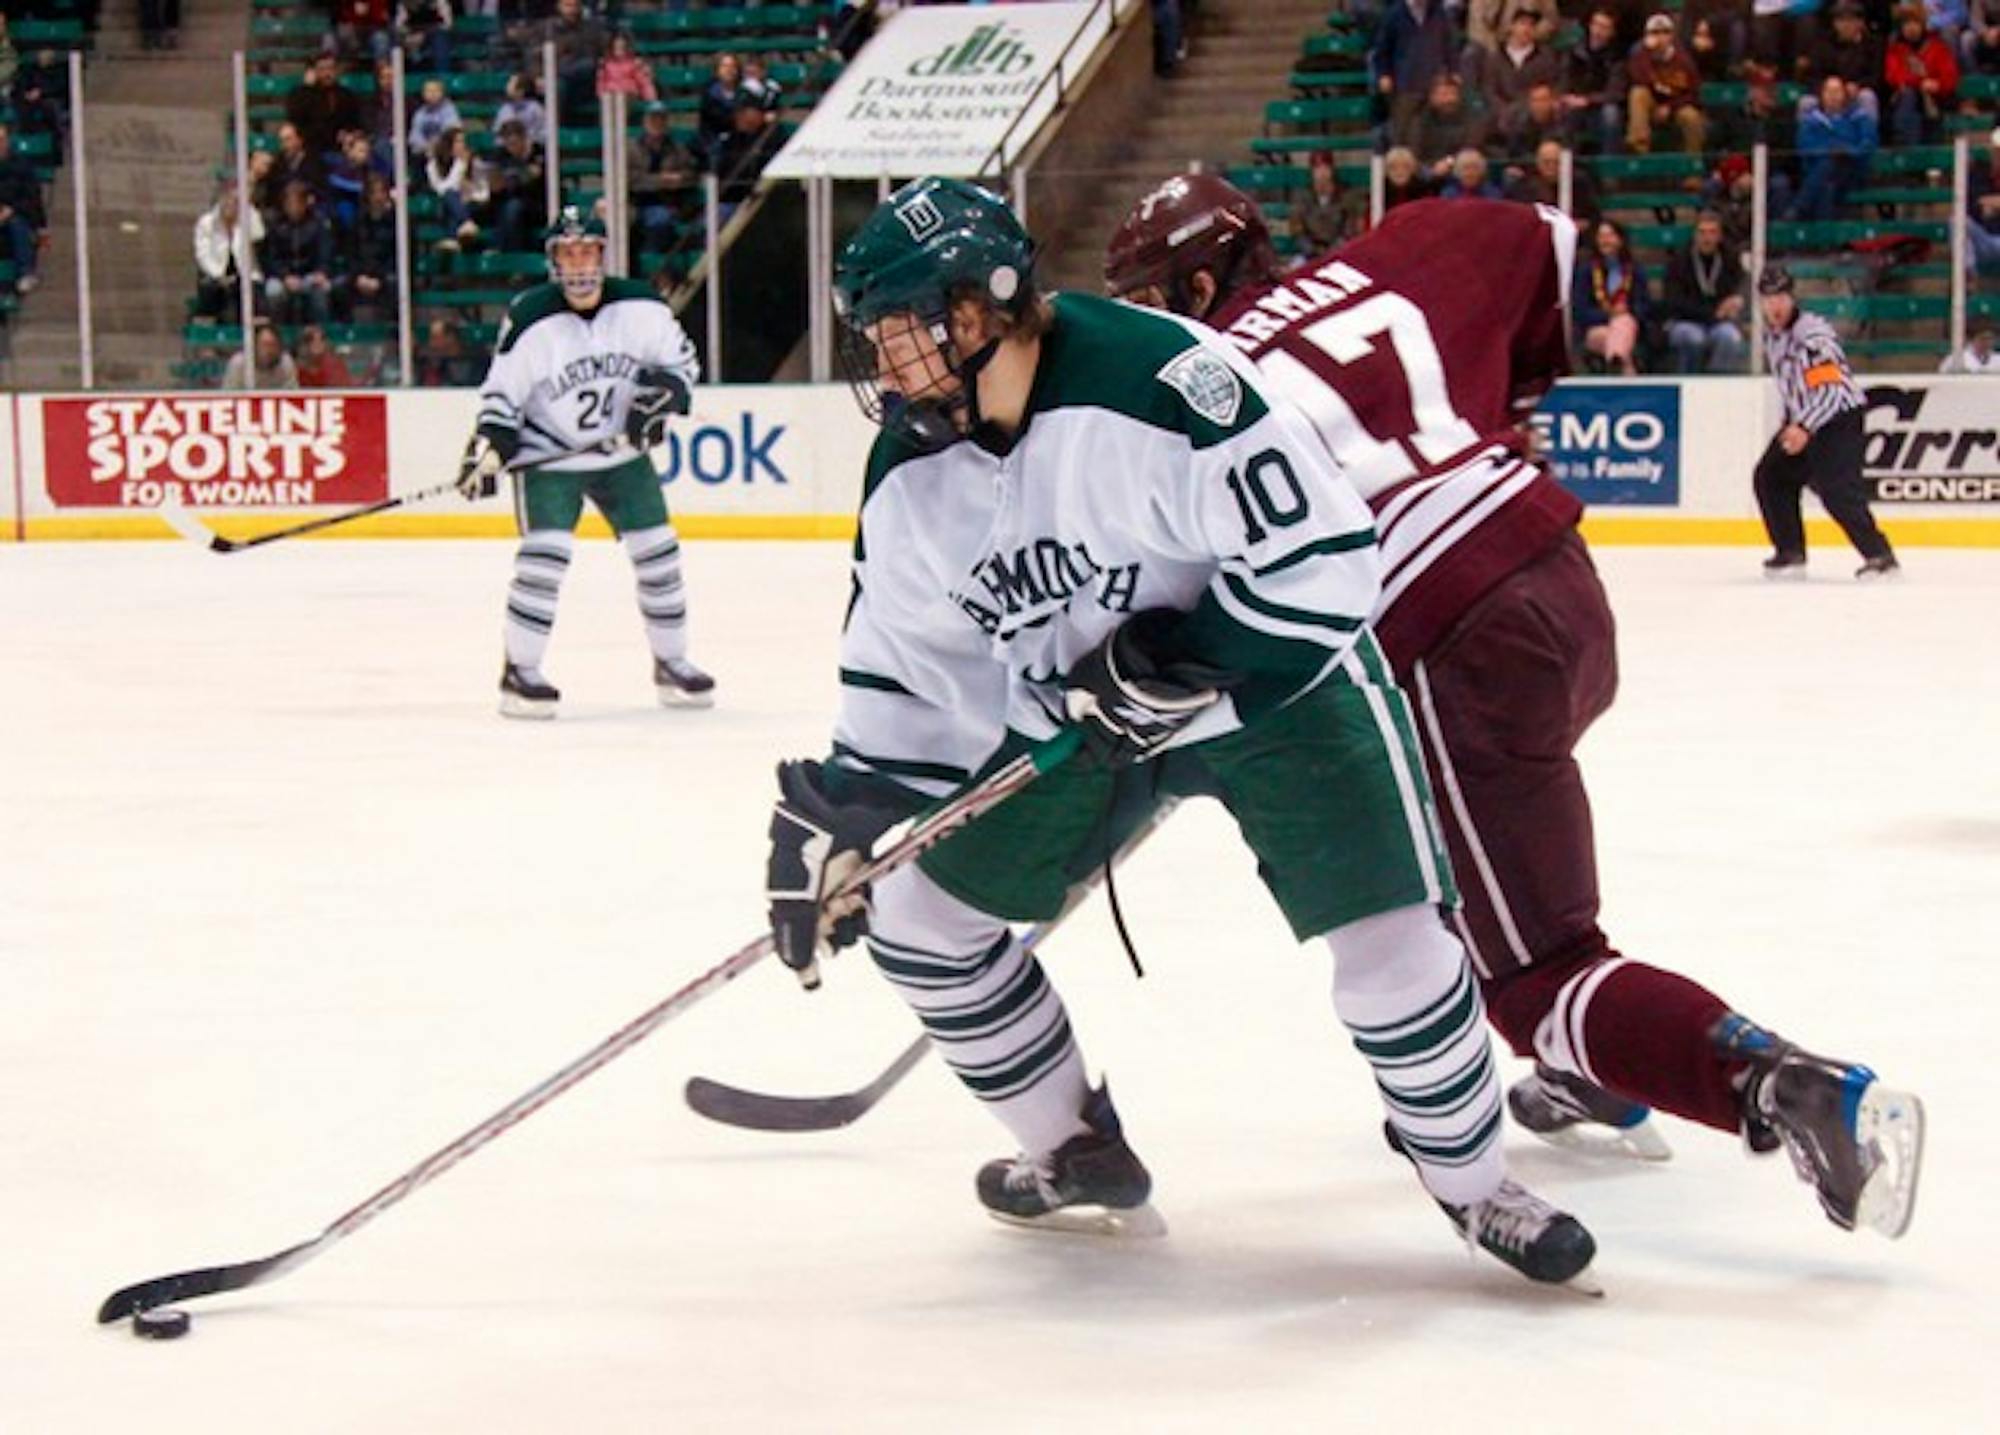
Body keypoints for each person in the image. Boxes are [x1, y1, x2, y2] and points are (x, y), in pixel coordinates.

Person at [771, 175, 1601, 1288]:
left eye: (904, 334)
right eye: (873, 339)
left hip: (1277, 685)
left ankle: (1470, 1181)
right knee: (921, 917)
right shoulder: (910, 478)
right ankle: (1074, 1150)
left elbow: (1324, 560)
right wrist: (848, 815)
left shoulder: (1164, 384)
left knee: (1393, 950)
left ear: (983, 309)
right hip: (1082, 710)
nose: (887, 367)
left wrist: (1190, 657)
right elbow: (911, 683)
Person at [1103, 178, 1926, 1241]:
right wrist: (1514, 401)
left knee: (1534, 974)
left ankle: (1795, 1089)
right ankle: (1598, 1073)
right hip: (1549, 567)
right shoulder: (1381, 259)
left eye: (1151, 295)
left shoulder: (1189, 392)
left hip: (1449, 639)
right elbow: (1543, 234)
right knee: (1451, 865)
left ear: (1199, 281)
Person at [460, 206, 712, 718]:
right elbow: (501, 395)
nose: (578, 263)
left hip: (622, 456)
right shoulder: (531, 317)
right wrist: (489, 444)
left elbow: (683, 365)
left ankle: (672, 663)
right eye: (567, 252)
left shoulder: (643, 306)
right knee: (544, 559)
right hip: (550, 457)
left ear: (602, 255)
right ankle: (520, 672)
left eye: (587, 251)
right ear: (553, 260)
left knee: (659, 554)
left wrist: (661, 396)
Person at [1755, 265, 1901, 580]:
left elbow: (1832, 391)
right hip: (1804, 421)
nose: (1775, 305)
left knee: (1838, 492)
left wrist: (1804, 427)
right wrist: (1791, 423)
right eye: (1768, 298)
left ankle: (1880, 556)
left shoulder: (1812, 336)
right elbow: (1793, 386)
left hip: (1837, 419)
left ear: (1792, 297)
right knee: (1771, 476)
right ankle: (1790, 552)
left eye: (1781, 297)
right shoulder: (1774, 337)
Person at [1662, 210, 1748, 372]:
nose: (1707, 238)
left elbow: (1743, 284)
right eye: (1702, 232)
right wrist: (1713, 313)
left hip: (1718, 324)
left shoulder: (1729, 259)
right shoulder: (1679, 262)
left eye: (1712, 232)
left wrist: (1738, 298)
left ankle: (1716, 385)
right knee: (1693, 338)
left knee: (1730, 337)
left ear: (1720, 236)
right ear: (1695, 235)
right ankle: (1689, 381)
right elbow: (1674, 302)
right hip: (1684, 321)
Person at [1792, 74, 1878, 222]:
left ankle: (1798, 209)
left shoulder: (1859, 118)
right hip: (1821, 172)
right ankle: (1826, 242)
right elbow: (1805, 147)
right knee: (1826, 185)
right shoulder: (1811, 120)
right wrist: (1830, 150)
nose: (1833, 96)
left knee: (1830, 166)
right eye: (1829, 91)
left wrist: (1847, 150)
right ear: (1822, 95)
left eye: (1837, 91)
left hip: (1850, 171)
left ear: (1844, 94)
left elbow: (1868, 144)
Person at [1573, 217, 1649, 374]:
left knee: (1623, 325)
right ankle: (1621, 363)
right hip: (1595, 329)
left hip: (1630, 328)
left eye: (1610, 236)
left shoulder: (1635, 270)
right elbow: (1580, 309)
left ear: (1620, 240)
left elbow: (1644, 306)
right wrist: (1609, 315)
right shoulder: (1586, 271)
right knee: (1619, 330)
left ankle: (1617, 364)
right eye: (1601, 236)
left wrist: (1627, 312)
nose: (1605, 241)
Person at [1626, 11, 1707, 154]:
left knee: (1692, 118)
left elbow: (1694, 92)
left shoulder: (1683, 60)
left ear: (1672, 36)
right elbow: (1638, 79)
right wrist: (1648, 52)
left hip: (1677, 104)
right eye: (1655, 32)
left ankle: (1692, 166)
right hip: (1651, 102)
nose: (1660, 37)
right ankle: (1639, 149)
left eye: (1665, 32)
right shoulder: (1640, 56)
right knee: (1638, 93)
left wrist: (1670, 107)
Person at [260, 180, 336, 326]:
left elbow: (324, 254)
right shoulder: (276, 225)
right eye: (289, 203)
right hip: (283, 277)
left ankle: (322, 332)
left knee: (320, 292)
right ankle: (277, 331)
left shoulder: (318, 224)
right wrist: (285, 276)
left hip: (309, 275)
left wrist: (320, 272)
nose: (292, 208)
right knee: (273, 292)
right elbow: (271, 257)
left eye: (296, 203)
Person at [1884, 4, 1960, 147]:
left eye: (1915, 23)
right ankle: (1908, 149)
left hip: (1936, 100)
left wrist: (1937, 85)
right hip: (1906, 100)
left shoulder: (1938, 47)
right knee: (1909, 96)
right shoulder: (1896, 49)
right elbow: (1893, 76)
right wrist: (1921, 82)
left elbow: (1950, 78)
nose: (1911, 28)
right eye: (1906, 24)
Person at [192, 181, 264, 320]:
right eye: (228, 200)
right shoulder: (206, 223)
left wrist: (249, 211)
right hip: (216, 273)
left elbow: (259, 235)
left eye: (236, 202)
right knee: (210, 288)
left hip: (244, 273)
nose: (231, 205)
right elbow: (202, 255)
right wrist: (219, 276)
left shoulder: (249, 220)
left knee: (253, 290)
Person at [1563, 5, 1628, 154]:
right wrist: (1568, 97)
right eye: (1597, 25)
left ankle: (1609, 170)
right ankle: (1565, 168)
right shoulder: (1574, 52)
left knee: (1611, 114)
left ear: (1611, 32)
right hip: (1576, 104)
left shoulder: (1617, 57)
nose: (1598, 31)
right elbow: (1564, 79)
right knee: (1563, 110)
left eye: (1605, 27)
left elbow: (1615, 93)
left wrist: (1587, 100)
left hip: (1599, 108)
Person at [286, 54, 364, 165]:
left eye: (330, 69)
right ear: (314, 72)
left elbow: (355, 123)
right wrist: (307, 89)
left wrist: (348, 134)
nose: (327, 74)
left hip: (340, 147)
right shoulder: (302, 95)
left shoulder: (346, 95)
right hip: (312, 147)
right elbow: (295, 118)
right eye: (322, 69)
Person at [0, 121, 46, 296]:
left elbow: (32, 197)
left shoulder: (22, 166)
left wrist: (11, 210)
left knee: (18, 225)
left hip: (16, 213)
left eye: (1, 139)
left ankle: (25, 273)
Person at [1288, 151, 1361, 258]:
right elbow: (1297, 229)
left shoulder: (1346, 195)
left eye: (1325, 167)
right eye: (1317, 168)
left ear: (1332, 170)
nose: (1322, 173)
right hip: (1309, 254)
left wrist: (1333, 250)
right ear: (1312, 171)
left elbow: (1350, 229)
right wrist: (1311, 250)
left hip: (1340, 253)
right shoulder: (1301, 197)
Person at [222, 321, 300, 390]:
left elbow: (292, 394)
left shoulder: (286, 363)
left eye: (273, 345)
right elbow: (229, 396)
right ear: (254, 346)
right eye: (265, 345)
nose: (269, 350)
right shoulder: (238, 364)